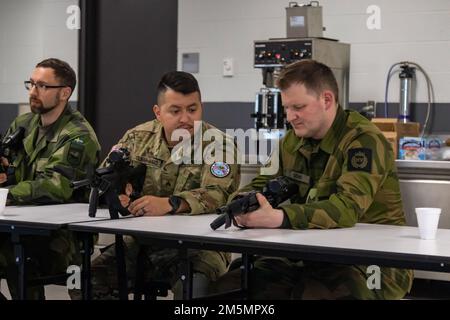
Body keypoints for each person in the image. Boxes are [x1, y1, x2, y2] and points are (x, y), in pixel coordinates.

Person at [210, 59, 413, 300]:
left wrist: (280, 217)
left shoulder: (363, 140)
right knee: (231, 288)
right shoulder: (292, 140)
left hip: (373, 260)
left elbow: (347, 208)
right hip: (310, 254)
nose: (290, 116)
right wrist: (243, 202)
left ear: (326, 100)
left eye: (298, 107)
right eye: (286, 108)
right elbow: (263, 181)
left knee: (314, 294)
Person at [75, 71, 240, 300]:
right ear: (158, 112)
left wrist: (171, 204)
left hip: (199, 246)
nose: (186, 118)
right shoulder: (137, 137)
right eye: (175, 110)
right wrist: (115, 195)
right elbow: (106, 179)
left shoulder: (219, 144)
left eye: (193, 109)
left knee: (196, 288)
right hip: (142, 243)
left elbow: (218, 193)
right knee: (83, 280)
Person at [0, 58, 100, 299]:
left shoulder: (78, 135)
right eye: (31, 84)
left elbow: (55, 186)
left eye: (42, 86)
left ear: (65, 92)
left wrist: (6, 194)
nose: (33, 92)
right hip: (20, 225)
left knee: (11, 253)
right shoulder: (23, 124)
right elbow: (8, 165)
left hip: (63, 239)